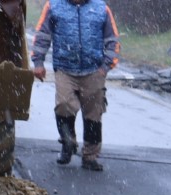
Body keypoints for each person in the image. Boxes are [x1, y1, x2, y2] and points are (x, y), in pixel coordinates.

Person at [29, 0, 119, 172]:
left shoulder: (101, 8)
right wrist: (38, 62)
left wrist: (105, 67)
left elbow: (112, 39)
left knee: (93, 114)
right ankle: (68, 142)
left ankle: (90, 156)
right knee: (64, 106)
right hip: (64, 69)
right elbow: (42, 35)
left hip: (94, 70)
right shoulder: (53, 6)